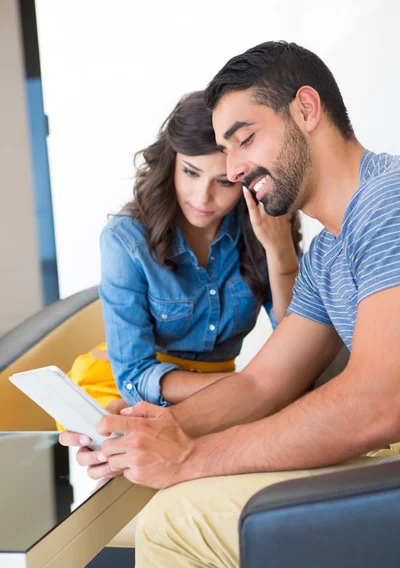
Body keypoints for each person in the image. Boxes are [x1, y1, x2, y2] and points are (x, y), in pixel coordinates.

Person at [61, 42, 400, 568]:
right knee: (173, 511)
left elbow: (378, 401)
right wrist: (155, 431)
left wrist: (191, 457)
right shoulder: (329, 253)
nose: (235, 169)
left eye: (244, 139)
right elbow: (263, 382)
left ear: (306, 109)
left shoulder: (385, 203)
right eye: (223, 150)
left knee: (173, 527)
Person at [66, 90, 301, 417]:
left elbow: (299, 339)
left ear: (247, 179)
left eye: (224, 182)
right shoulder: (125, 239)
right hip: (121, 390)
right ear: (171, 163)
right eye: (190, 172)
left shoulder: (262, 223)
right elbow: (133, 376)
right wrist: (249, 385)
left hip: (225, 393)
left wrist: (279, 251)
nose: (203, 198)